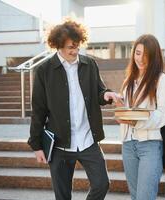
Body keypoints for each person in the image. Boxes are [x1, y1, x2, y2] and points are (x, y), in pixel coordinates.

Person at [28, 18, 122, 200]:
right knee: (62, 196)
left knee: (102, 184)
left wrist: (107, 95)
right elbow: (38, 110)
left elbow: (99, 91)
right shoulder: (44, 71)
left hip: (88, 140)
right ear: (58, 45)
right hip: (59, 144)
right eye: (71, 47)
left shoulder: (89, 64)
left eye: (77, 46)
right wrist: (36, 145)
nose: (75, 51)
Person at [116, 34, 165, 200]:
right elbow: (128, 111)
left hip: (150, 145)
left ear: (154, 57)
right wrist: (122, 112)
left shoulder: (163, 81)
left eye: (146, 55)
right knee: (135, 196)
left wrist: (138, 121)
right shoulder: (129, 81)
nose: (141, 59)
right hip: (128, 144)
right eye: (138, 53)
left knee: (145, 197)